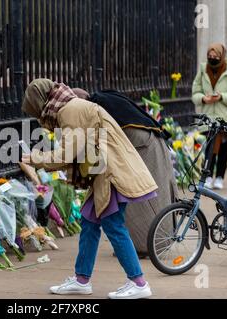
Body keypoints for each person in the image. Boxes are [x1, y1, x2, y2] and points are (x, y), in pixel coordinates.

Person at [21, 79, 157, 299]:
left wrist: (35, 159)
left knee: (113, 225)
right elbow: (76, 150)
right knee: (90, 223)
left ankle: (139, 282)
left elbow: (66, 153)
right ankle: (81, 280)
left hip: (111, 172)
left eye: (35, 110)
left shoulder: (69, 111)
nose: (38, 118)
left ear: (40, 102)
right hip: (105, 171)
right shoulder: (70, 107)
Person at [72, 88, 178, 257]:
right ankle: (147, 243)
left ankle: (147, 245)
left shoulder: (94, 109)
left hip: (144, 147)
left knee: (144, 199)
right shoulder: (102, 99)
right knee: (145, 196)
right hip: (147, 144)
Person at [192, 43, 227, 190]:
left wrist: (222, 96)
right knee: (210, 147)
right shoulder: (203, 70)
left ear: (221, 56)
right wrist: (203, 98)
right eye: (210, 56)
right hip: (209, 116)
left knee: (223, 148)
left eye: (215, 56)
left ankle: (220, 177)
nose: (212, 59)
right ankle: (207, 176)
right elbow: (195, 91)